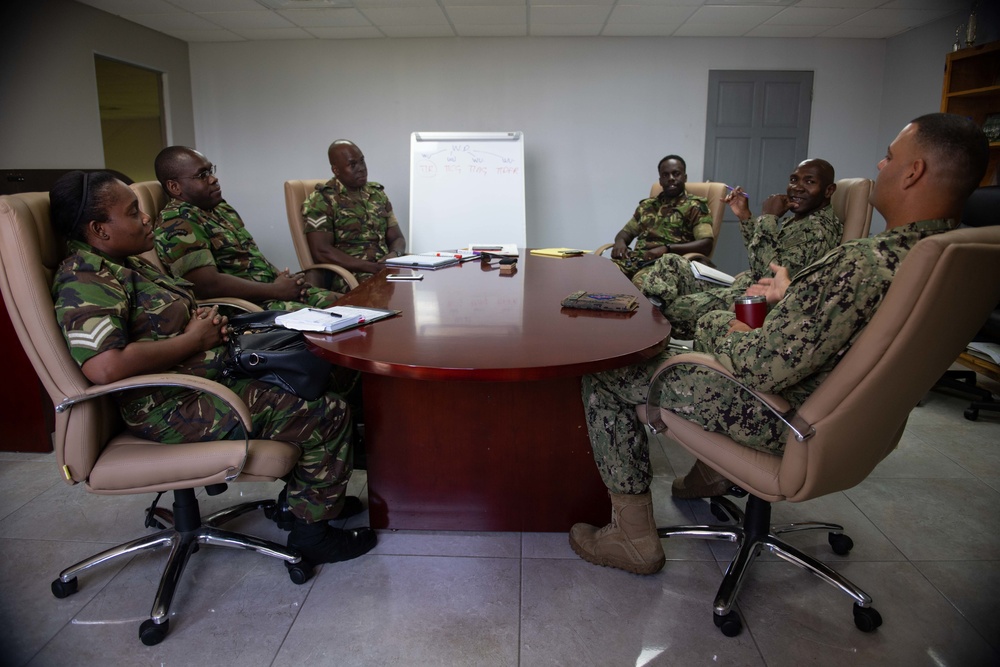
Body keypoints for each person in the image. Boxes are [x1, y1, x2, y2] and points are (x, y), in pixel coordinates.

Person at [569, 113, 989, 576]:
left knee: (607, 374)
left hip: (780, 414)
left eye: (890, 157)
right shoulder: (949, 254)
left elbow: (764, 367)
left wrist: (719, 324)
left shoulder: (865, 262)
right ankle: (713, 472)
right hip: (847, 422)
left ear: (914, 172)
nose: (880, 163)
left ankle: (631, 537)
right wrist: (789, 300)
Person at [50, 171, 377, 567]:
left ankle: (309, 501)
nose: (146, 218)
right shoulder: (84, 279)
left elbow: (167, 317)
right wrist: (193, 340)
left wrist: (204, 323)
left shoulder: (126, 264)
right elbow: (104, 366)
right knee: (325, 415)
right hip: (173, 403)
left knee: (329, 372)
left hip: (205, 378)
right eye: (133, 212)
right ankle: (312, 535)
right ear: (100, 229)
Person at [636, 159, 843, 343]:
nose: (797, 188)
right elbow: (763, 255)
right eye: (793, 180)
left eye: (809, 181)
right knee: (671, 261)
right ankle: (648, 315)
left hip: (755, 301)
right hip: (741, 285)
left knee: (674, 309)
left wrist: (768, 218)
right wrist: (745, 216)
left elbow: (770, 277)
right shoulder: (801, 219)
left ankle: (646, 327)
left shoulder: (817, 230)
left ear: (828, 190)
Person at [153, 146, 338, 310]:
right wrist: (275, 290)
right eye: (202, 175)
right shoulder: (176, 221)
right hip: (248, 308)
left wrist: (282, 280)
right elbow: (207, 285)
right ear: (174, 187)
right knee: (331, 322)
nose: (213, 179)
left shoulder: (218, 208)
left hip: (271, 292)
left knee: (351, 307)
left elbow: (249, 255)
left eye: (211, 170)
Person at [300, 140, 407, 293]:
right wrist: (371, 267)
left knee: (424, 281)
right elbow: (321, 251)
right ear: (336, 170)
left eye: (362, 161)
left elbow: (397, 238)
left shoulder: (377, 194)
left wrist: (394, 255)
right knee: (390, 293)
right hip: (352, 273)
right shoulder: (321, 200)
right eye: (353, 165)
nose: (362, 169)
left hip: (385, 268)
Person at [610, 155, 715, 283]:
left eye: (676, 174)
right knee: (601, 274)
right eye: (665, 175)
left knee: (641, 283)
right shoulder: (647, 206)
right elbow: (626, 233)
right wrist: (620, 242)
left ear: (685, 177)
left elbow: (706, 244)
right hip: (637, 260)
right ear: (660, 180)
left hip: (666, 265)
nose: (671, 178)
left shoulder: (695, 207)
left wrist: (667, 248)